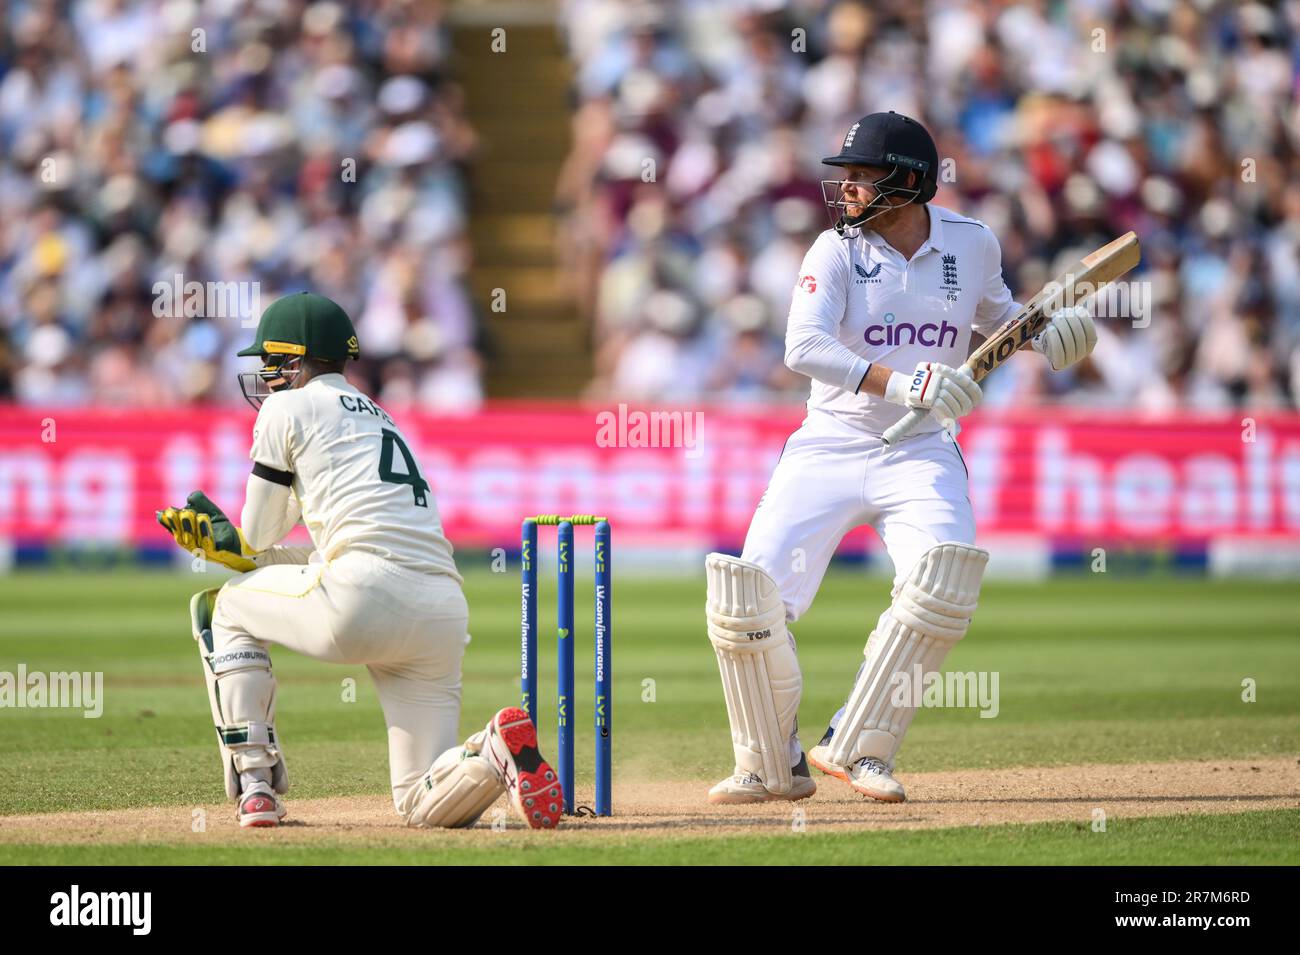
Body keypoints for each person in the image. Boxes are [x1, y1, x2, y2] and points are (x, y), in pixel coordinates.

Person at [703, 112, 1096, 804]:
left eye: (861, 175)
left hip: (920, 450)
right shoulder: (834, 250)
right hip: (829, 441)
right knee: (746, 601)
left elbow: (996, 319)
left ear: (910, 182)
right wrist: (904, 379)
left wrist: (1046, 333)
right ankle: (771, 764)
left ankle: (858, 745)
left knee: (943, 581)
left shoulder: (971, 244)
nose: (847, 187)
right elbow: (804, 347)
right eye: (844, 175)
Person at [157, 292, 563, 829]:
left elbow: (255, 535)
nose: (266, 376)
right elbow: (319, 550)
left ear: (296, 360)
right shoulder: (380, 417)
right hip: (440, 612)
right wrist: (239, 551)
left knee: (222, 610)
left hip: (360, 598)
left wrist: (230, 548)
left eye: (271, 362)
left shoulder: (287, 406)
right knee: (422, 803)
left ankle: (256, 787)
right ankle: (491, 752)